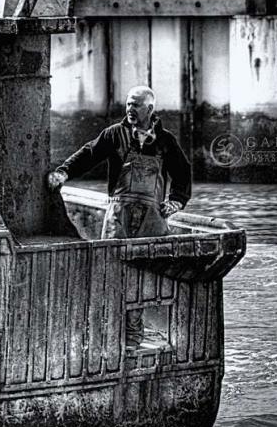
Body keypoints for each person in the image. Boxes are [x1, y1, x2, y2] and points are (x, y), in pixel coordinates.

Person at [48, 85, 191, 348]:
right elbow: (89, 153)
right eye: (127, 104)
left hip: (152, 218)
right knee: (110, 272)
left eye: (135, 105)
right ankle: (107, 338)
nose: (130, 109)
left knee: (143, 278)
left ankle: (133, 339)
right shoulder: (114, 134)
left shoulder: (166, 141)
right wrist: (64, 172)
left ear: (149, 109)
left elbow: (183, 173)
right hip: (118, 216)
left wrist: (176, 202)